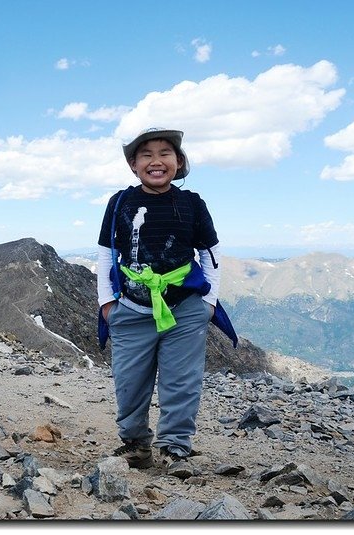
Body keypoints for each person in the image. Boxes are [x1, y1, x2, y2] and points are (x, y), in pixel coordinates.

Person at [96, 127, 225, 474]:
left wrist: (208, 302)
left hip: (184, 308)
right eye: (146, 155)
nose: (156, 160)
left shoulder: (191, 203)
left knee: (181, 381)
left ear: (179, 162)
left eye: (165, 153)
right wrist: (107, 304)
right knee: (129, 381)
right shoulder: (120, 202)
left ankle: (174, 449)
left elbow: (209, 252)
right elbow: (107, 255)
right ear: (133, 165)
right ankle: (136, 445)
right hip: (132, 307)